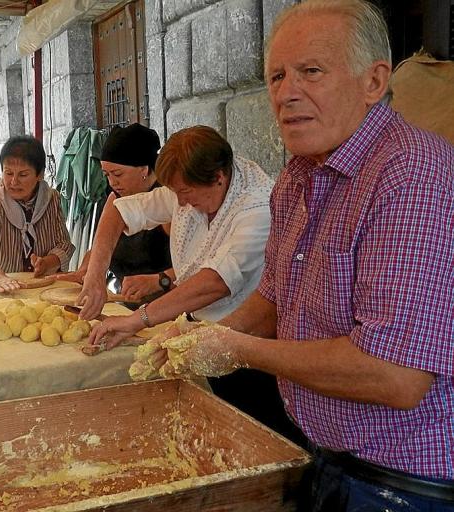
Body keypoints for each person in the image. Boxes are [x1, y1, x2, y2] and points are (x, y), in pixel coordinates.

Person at [159, 1, 454, 510]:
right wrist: (198, 335)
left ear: (373, 81)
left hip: (402, 484)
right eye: (276, 76)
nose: (285, 93)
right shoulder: (298, 175)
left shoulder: (411, 175)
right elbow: (274, 298)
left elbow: (396, 375)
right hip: (325, 456)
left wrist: (234, 349)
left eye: (311, 71)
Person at [79, 125, 273, 346]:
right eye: (175, 192)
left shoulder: (257, 208)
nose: (180, 203)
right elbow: (118, 210)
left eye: (185, 192)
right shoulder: (191, 183)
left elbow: (216, 281)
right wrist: (95, 274)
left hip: (242, 339)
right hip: (194, 324)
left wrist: (138, 319)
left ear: (218, 177)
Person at [56, 123, 173, 303]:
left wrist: (160, 280)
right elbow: (100, 246)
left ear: (144, 168)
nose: (112, 182)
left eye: (117, 174)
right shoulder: (115, 198)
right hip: (126, 303)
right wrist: (86, 273)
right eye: (107, 175)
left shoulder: (169, 200)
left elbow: (196, 266)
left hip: (171, 306)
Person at [0, 135, 74, 292]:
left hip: (43, 285)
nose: (13, 182)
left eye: (23, 175)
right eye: (8, 173)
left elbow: (63, 244)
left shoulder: (51, 198)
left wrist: (46, 263)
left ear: (39, 174)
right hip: (4, 288)